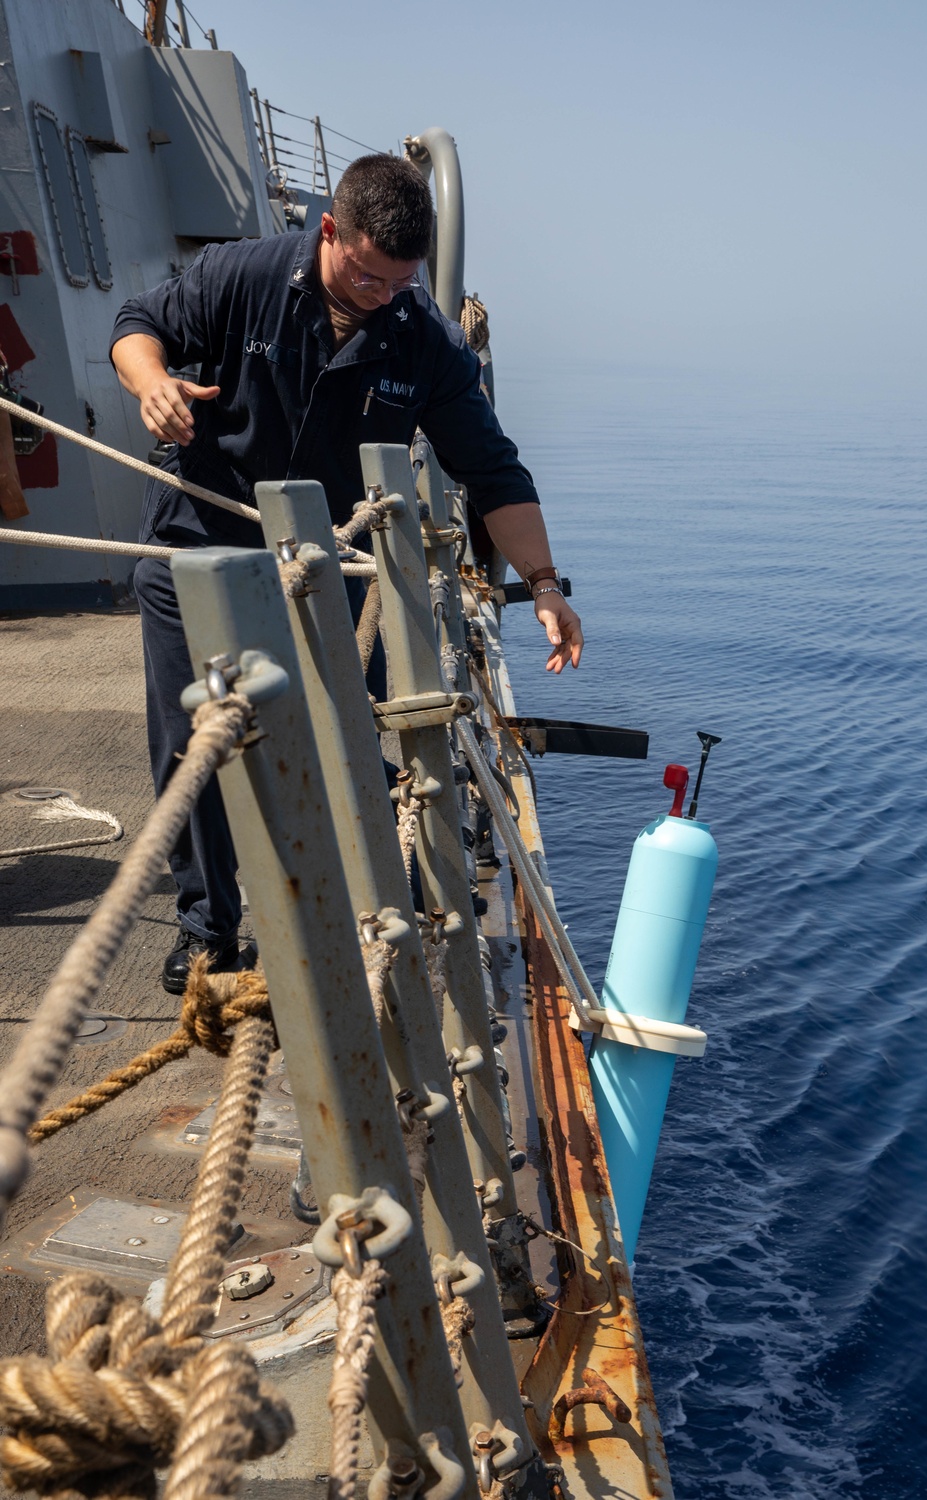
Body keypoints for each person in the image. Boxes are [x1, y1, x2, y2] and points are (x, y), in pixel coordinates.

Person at [111, 153, 583, 994]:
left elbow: (493, 469)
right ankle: (208, 930)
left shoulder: (421, 334)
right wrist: (153, 385)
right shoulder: (240, 275)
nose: (380, 297)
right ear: (329, 231)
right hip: (197, 544)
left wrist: (544, 582)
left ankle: (374, 909)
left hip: (326, 559)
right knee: (196, 747)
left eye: (398, 284)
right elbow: (137, 324)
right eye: (367, 276)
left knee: (355, 737)